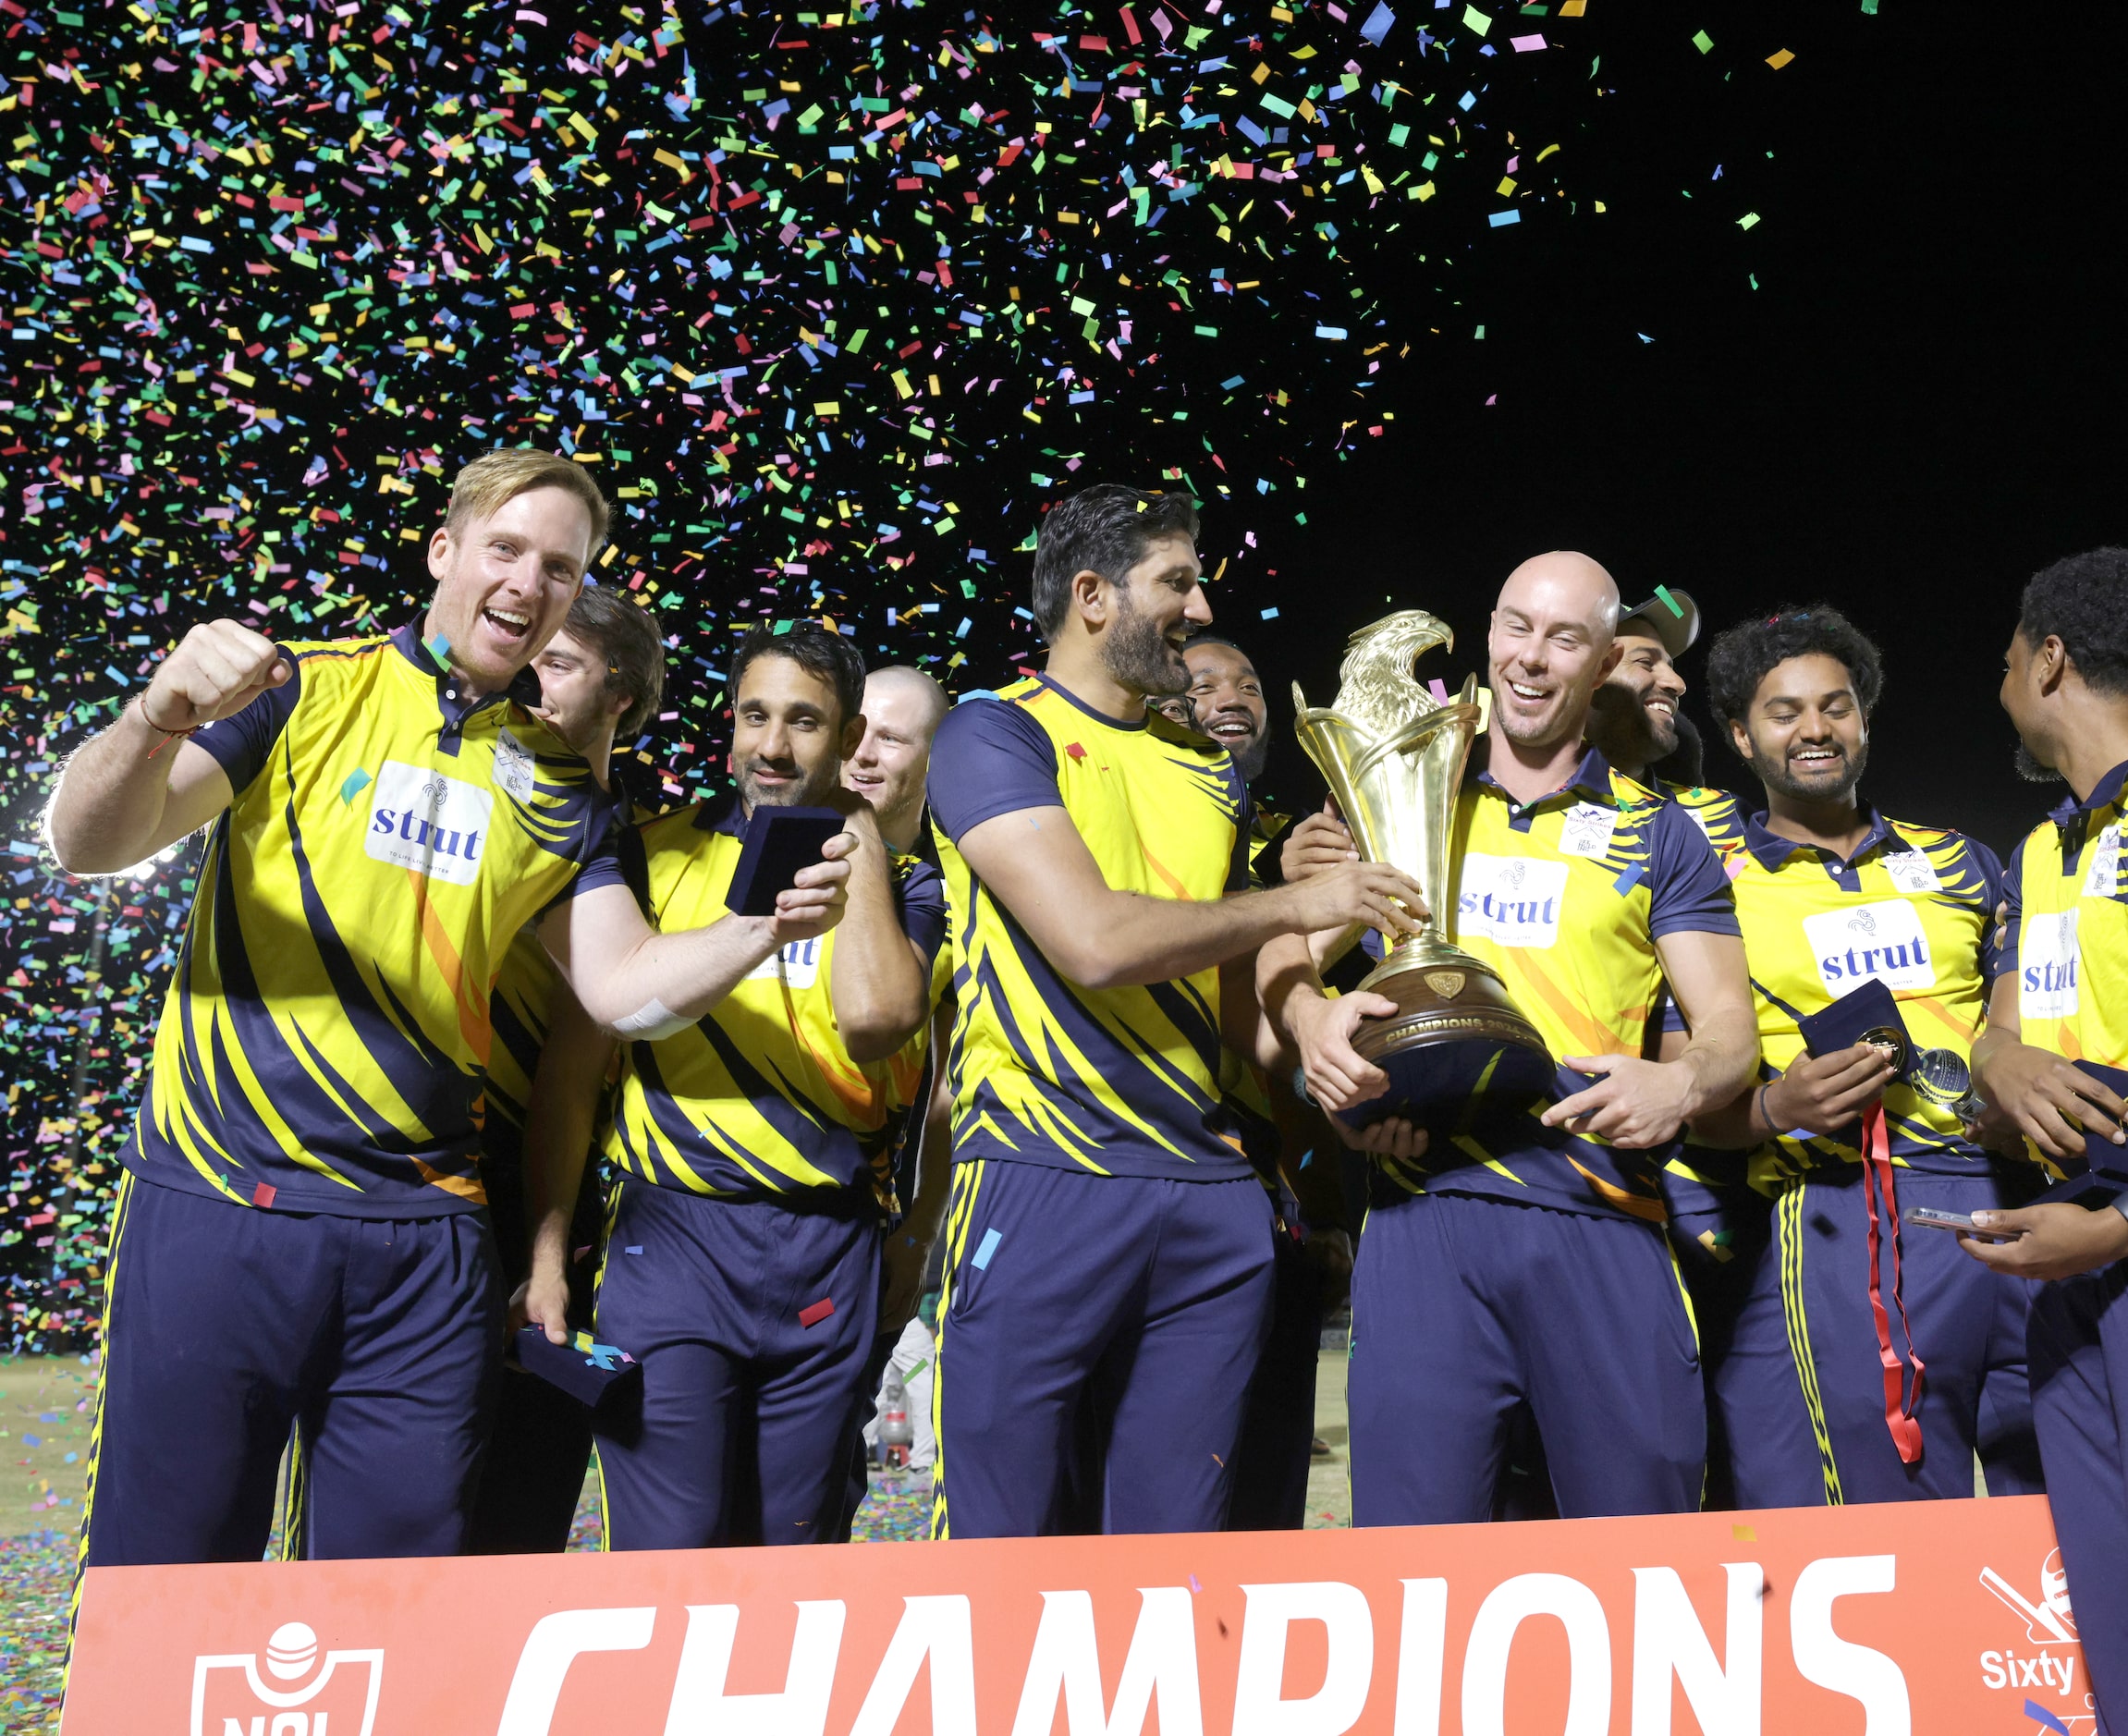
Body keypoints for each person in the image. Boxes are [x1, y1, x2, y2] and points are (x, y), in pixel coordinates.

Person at [51, 448, 852, 1572]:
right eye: (507, 550)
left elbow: (625, 987)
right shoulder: (300, 692)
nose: (530, 585)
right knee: (165, 1583)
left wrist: (759, 929)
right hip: (224, 1199)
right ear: (444, 552)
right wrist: (156, 717)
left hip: (421, 1241)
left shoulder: (561, 791)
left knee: (394, 1613)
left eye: (562, 570)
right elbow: (90, 845)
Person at [923, 484, 1425, 1539]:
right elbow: (1097, 941)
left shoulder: (1208, 769)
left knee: (1175, 1551)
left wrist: (1311, 1025)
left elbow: (1238, 976)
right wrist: (1301, 903)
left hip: (1210, 1194)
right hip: (1042, 1172)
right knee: (1007, 1546)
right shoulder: (989, 734)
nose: (1198, 610)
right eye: (1178, 584)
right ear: (1093, 596)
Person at [1269, 551, 1757, 1524]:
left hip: (1600, 1209)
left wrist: (1682, 1084)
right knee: (1416, 1567)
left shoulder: (1658, 834)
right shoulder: (1402, 794)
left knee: (1642, 1550)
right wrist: (1309, 1022)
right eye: (1514, 628)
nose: (1531, 659)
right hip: (1424, 1215)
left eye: (1563, 637)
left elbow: (1730, 1031)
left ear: (1606, 660)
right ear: (1488, 636)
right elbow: (1275, 954)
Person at [519, 623, 941, 1549]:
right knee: (671, 1561)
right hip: (672, 1247)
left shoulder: (909, 888)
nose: (773, 747)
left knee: (793, 1563)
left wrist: (856, 834)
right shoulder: (651, 853)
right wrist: (548, 1255)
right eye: (754, 716)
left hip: (828, 1253)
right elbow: (572, 1076)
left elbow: (876, 1021)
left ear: (847, 737)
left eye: (804, 722)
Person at [1686, 605, 2040, 1506]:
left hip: (2011, 1200)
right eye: (1784, 711)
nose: (1815, 728)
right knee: (1897, 1500)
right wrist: (1778, 1106)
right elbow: (1683, 1081)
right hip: (1846, 1205)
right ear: (1738, 733)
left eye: (1835, 706)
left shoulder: (1961, 861)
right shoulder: (1708, 880)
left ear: (1864, 719)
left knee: (2051, 1492)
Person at [1957, 549, 2128, 1735]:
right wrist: (1995, 1058)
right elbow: (2000, 1034)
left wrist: (2114, 1224)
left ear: (2051, 657)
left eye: (2010, 657)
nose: (2000, 677)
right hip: (2071, 1275)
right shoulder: (2037, 850)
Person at [466, 586, 667, 1555]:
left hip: (565, 1212)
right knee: (392, 1493)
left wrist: (557, 1241)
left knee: (523, 1494)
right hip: (424, 1179)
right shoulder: (466, 801)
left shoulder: (639, 856)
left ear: (623, 696)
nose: (528, 677)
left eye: (560, 661)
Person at [1180, 631, 1352, 1530]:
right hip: (1161, 1187)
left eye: (1250, 680)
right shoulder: (1148, 847)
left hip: (1268, 1205)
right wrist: (1292, 904)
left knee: (1266, 1492)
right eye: (1204, 681)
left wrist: (1322, 1205)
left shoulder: (1287, 853)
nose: (1233, 692)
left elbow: (1292, 1051)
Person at [835, 664, 955, 1532]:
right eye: (856, 728)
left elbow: (952, 1094)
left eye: (893, 736)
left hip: (874, 1249)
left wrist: (914, 1242)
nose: (863, 752)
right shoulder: (766, 853)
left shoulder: (962, 893)